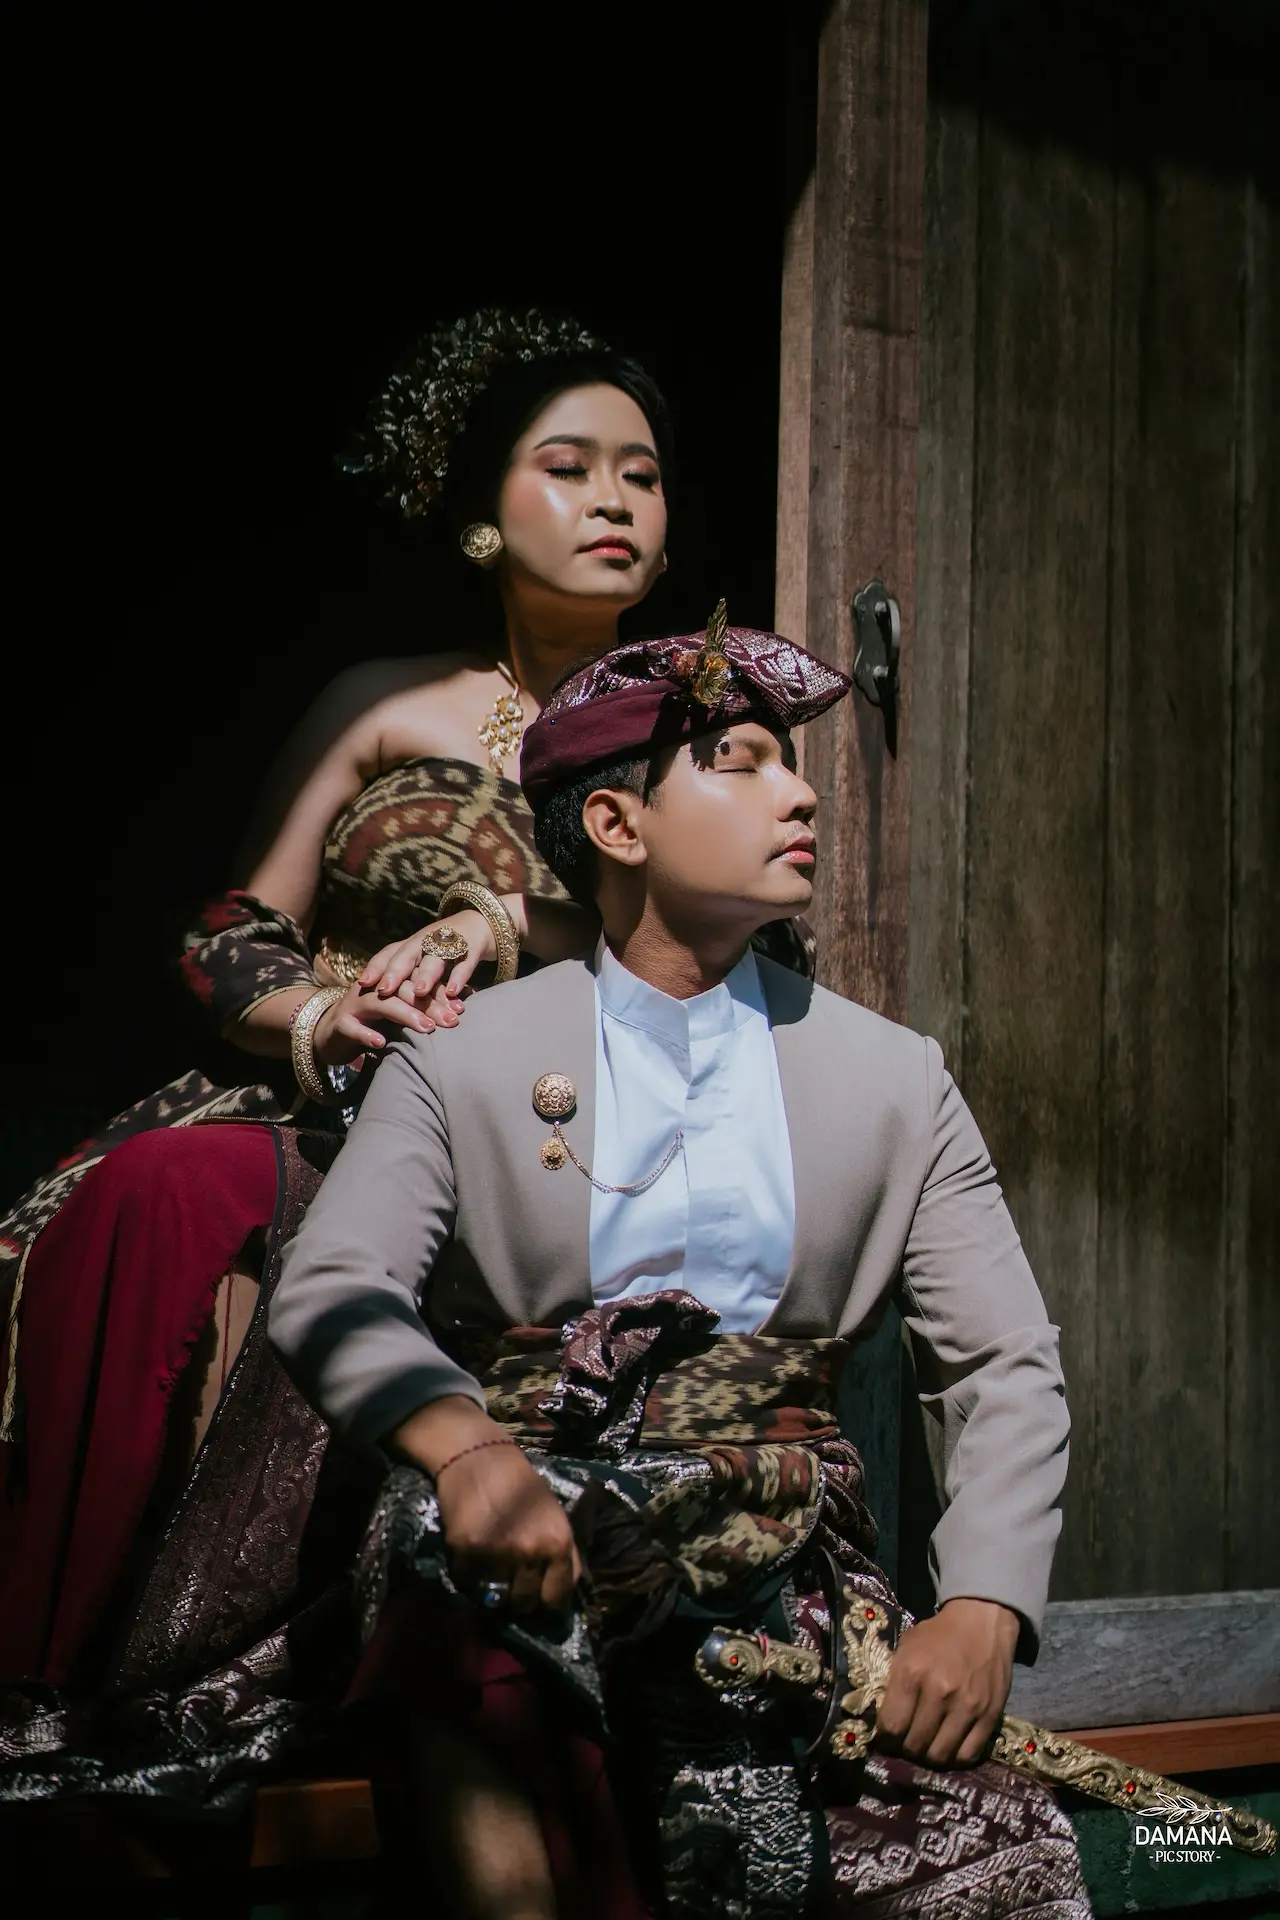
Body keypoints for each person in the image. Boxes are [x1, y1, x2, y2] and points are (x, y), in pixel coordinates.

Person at [2, 312, 789, 1808]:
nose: (616, 500)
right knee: (158, 1191)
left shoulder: (711, 730)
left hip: (558, 1137)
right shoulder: (382, 705)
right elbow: (229, 931)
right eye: (570, 467)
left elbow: (739, 947)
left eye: (642, 474)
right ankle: (52, 1682)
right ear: (485, 514)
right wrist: (316, 1016)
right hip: (332, 1098)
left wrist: (506, 923)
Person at [269, 617, 1091, 1918]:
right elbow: (334, 1286)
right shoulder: (462, 1058)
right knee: (441, 1565)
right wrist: (466, 1452)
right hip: (524, 1532)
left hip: (785, 1558)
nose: (801, 795)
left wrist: (986, 1601)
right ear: (617, 825)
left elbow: (1000, 1360)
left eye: (793, 768)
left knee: (1004, 1843)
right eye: (741, 762)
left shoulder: (894, 1081)